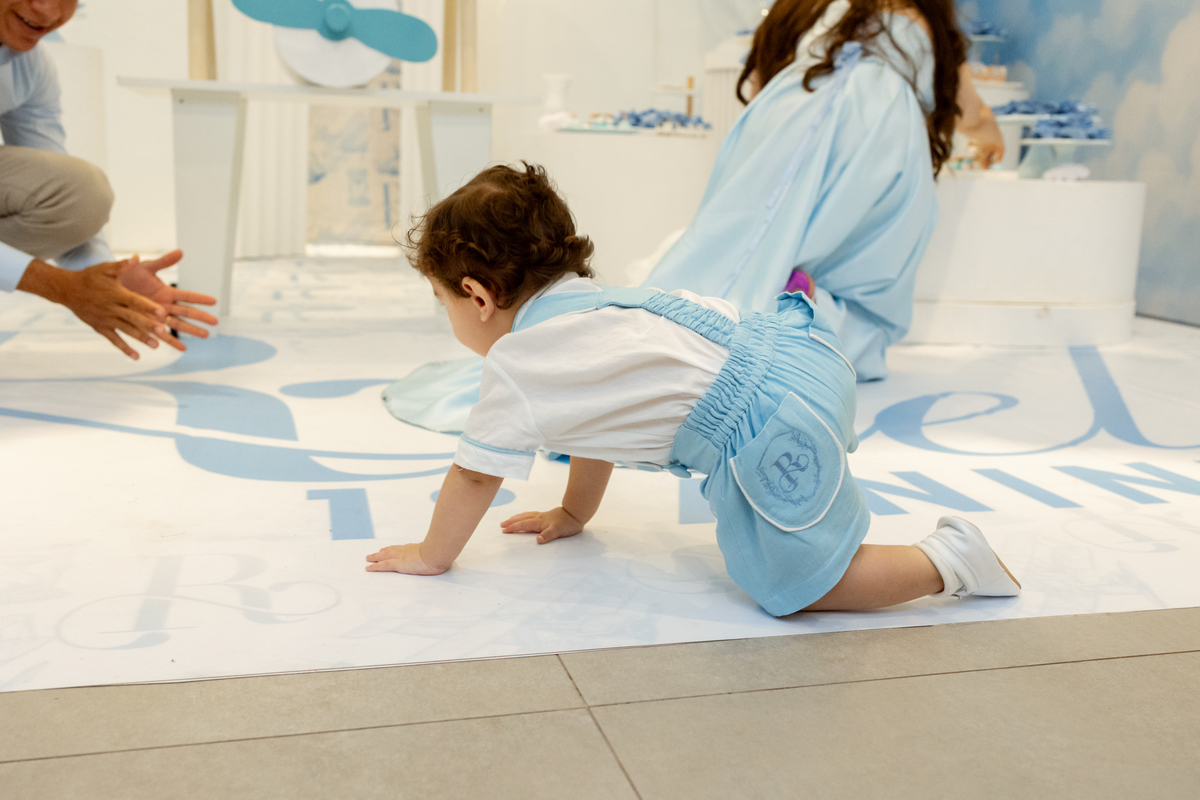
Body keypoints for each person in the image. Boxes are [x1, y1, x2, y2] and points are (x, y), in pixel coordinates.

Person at [366, 164, 1020, 616]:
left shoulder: (520, 362)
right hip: (796, 357)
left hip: (769, 420)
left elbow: (474, 475)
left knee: (802, 584)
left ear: (478, 296)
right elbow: (595, 423)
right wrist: (575, 512)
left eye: (443, 303)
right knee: (798, 544)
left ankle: (948, 561)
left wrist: (432, 555)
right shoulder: (592, 307)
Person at [641, 0, 1004, 382]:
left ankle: (711, 310)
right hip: (877, 128)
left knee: (749, 237)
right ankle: (804, 307)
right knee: (863, 282)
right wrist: (992, 137)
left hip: (792, 104)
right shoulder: (927, 23)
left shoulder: (827, 8)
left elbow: (761, 75)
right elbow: (972, 111)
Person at [0, 0, 216, 358]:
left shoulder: (30, 66)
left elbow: (64, 198)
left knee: (81, 193)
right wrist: (64, 287)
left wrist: (106, 277)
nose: (47, 10)